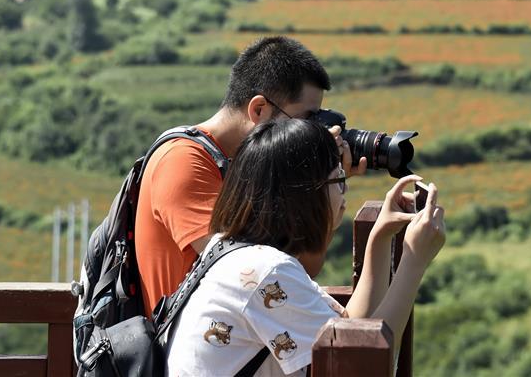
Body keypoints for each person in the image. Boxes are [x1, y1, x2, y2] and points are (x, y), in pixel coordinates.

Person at [165, 118, 445, 376]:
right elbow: (361, 367)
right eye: (339, 179)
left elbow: (347, 331)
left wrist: (381, 237)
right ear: (306, 194)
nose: (344, 193)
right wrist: (414, 261)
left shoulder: (231, 250)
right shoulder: (266, 272)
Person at [135, 36, 368, 317]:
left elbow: (291, 270)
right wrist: (316, 192)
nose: (310, 133)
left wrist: (325, 186)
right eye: (305, 121)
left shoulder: (247, 165)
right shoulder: (183, 163)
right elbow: (256, 275)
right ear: (259, 109)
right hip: (185, 355)